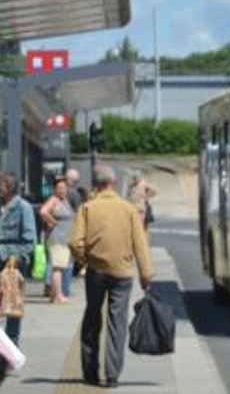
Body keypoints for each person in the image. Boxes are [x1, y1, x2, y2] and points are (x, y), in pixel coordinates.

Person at [69, 165, 153, 388]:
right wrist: (146, 275)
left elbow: (74, 242)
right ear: (114, 181)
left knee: (92, 317)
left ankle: (90, 371)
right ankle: (113, 374)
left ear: (96, 183)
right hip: (122, 273)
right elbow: (140, 244)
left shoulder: (87, 208)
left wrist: (83, 259)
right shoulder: (128, 209)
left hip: (96, 271)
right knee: (117, 321)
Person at [0, 173, 37, 346]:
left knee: (12, 310)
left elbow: (29, 242)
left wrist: (9, 254)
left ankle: (9, 352)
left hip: (12, 267)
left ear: (9, 187)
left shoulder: (24, 208)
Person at [40, 177, 75, 304]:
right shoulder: (54, 200)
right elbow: (43, 211)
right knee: (57, 268)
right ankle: (59, 295)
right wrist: (53, 222)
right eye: (59, 188)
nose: (62, 190)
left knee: (60, 267)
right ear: (54, 189)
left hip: (63, 239)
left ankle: (54, 295)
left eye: (64, 188)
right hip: (57, 239)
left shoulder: (64, 200)